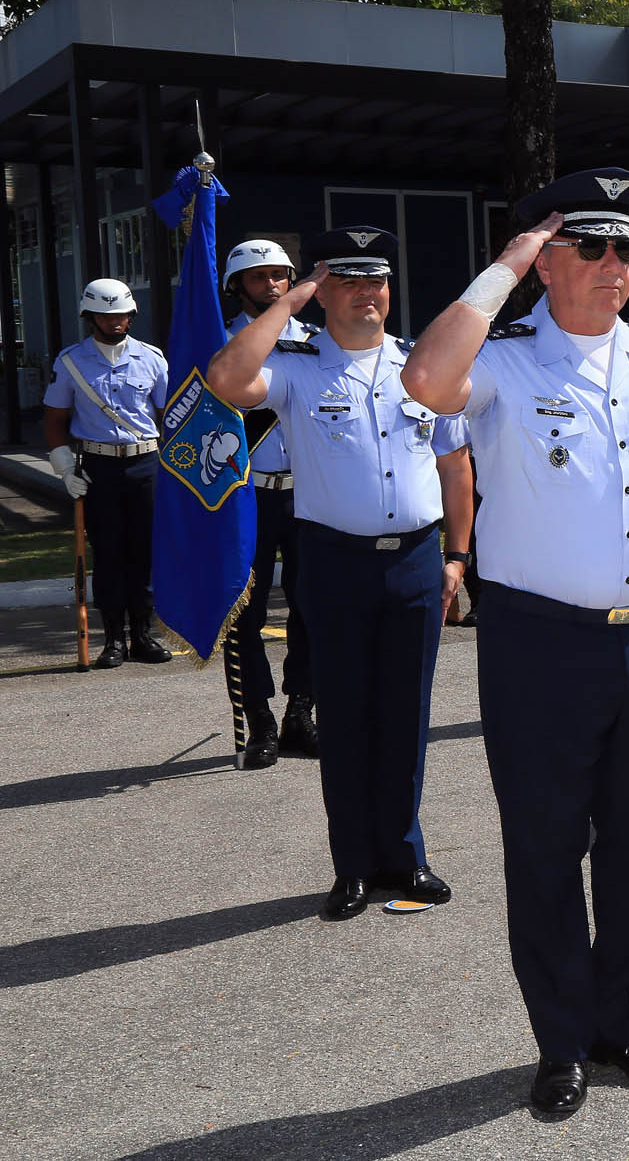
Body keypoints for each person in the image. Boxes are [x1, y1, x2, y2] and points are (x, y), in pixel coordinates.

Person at [401, 168, 629, 1118]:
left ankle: (627, 1026)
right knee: (543, 848)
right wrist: (505, 265)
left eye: (628, 249)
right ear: (548, 262)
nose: (616, 265)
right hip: (539, 644)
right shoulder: (504, 360)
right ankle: (562, 1042)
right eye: (592, 246)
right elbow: (425, 379)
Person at [207, 226, 472, 922]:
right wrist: (289, 300)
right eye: (347, 282)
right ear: (322, 293)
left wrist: (456, 556)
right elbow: (226, 379)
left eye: (375, 280)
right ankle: (353, 864)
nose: (366, 294)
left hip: (415, 560)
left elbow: (454, 464)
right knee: (347, 716)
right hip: (334, 561)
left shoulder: (421, 366)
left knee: (406, 716)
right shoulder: (296, 368)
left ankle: (404, 855)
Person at [219, 239, 319, 767]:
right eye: (258, 277)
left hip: (310, 494)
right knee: (245, 613)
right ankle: (259, 718)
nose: (272, 285)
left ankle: (301, 711)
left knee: (312, 606)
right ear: (237, 286)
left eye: (280, 275)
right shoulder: (220, 344)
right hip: (246, 497)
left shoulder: (319, 343)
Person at [43, 278, 174, 668]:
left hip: (146, 463)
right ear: (90, 317)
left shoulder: (153, 358)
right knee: (109, 553)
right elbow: (54, 419)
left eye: (121, 315)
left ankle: (143, 635)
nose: (115, 322)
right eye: (106, 316)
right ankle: (114, 639)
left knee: (145, 552)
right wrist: (64, 469)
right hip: (99, 467)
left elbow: (169, 415)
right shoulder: (70, 362)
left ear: (132, 315)